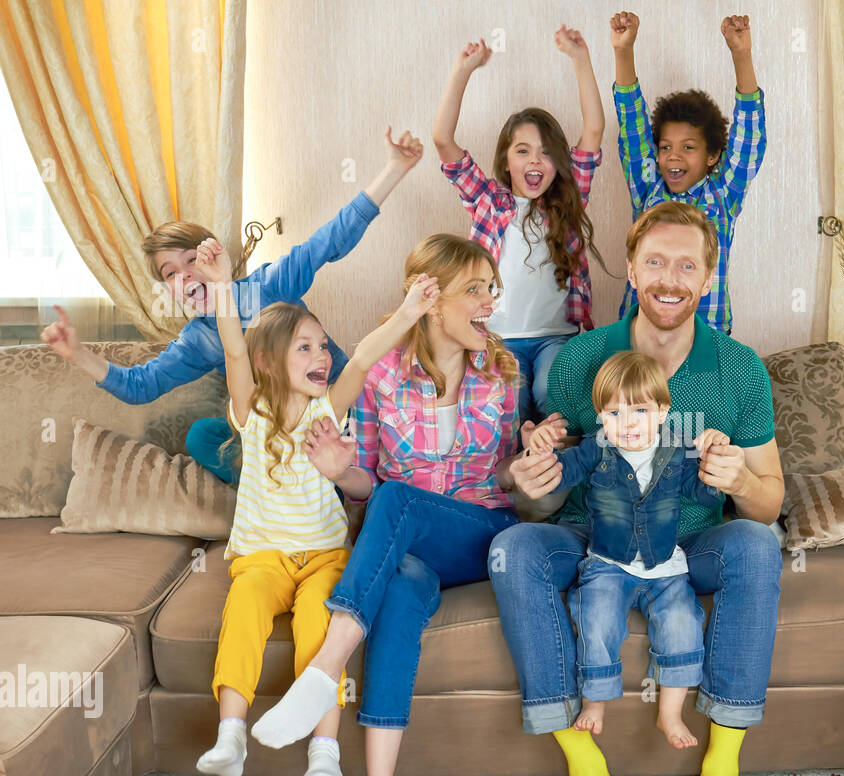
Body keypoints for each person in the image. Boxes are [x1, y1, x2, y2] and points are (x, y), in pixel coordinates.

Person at [491, 201, 785, 776]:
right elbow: (540, 480)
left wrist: (740, 481)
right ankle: (586, 769)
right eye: (655, 261)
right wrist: (531, 484)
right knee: (513, 549)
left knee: (758, 545)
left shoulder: (740, 370)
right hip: (591, 537)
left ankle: (721, 770)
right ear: (630, 268)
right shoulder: (581, 361)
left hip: (689, 544)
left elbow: (769, 502)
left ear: (709, 275)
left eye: (687, 265)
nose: (670, 279)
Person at [248, 235, 522, 776]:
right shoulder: (383, 378)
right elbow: (366, 483)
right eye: (475, 290)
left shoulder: (503, 369)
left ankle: (323, 671)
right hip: (412, 549)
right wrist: (342, 472)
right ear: (431, 301)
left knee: (397, 500)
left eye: (492, 288)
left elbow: (503, 475)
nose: (489, 302)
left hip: (479, 532)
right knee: (397, 585)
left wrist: (527, 464)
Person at [189, 237, 439, 776]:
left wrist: (409, 312)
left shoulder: (329, 408)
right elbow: (233, 348)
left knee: (316, 630)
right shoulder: (250, 411)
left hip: (325, 556)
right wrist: (223, 284)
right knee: (245, 614)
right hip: (261, 559)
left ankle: (323, 749)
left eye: (322, 346)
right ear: (267, 362)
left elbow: (368, 355)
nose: (322, 357)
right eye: (304, 347)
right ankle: (231, 735)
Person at [39, 127, 424, 483]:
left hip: (334, 415)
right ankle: (281, 487)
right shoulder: (200, 339)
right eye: (169, 274)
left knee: (355, 429)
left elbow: (329, 240)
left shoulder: (267, 286)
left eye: (191, 261)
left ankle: (324, 484)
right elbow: (142, 385)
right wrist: (78, 354)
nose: (184, 277)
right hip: (277, 434)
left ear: (215, 257)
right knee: (204, 435)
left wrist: (394, 167)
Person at [527, 350, 729, 749]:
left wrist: (713, 457)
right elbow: (557, 474)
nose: (627, 423)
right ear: (601, 417)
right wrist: (541, 447)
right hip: (608, 561)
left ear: (662, 412)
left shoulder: (677, 450)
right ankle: (596, 702)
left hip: (665, 565)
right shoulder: (594, 448)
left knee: (682, 623)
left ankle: (669, 714)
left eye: (638, 410)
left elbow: (704, 495)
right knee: (596, 616)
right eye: (614, 413)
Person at [433, 26, 607, 425]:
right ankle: (510, 479)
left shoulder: (568, 200)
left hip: (555, 336)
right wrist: (463, 71)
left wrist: (581, 60)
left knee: (552, 393)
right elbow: (443, 139)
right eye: (523, 151)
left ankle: (559, 472)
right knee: (509, 408)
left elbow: (594, 130)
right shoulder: (488, 201)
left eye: (546, 153)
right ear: (506, 159)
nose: (535, 162)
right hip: (497, 338)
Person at [608, 11, 766, 335]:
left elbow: (749, 136)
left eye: (688, 148)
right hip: (641, 336)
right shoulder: (648, 188)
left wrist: (741, 54)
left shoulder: (723, 195)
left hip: (706, 336)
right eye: (665, 147)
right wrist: (623, 51)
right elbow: (632, 125)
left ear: (713, 156)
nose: (673, 156)